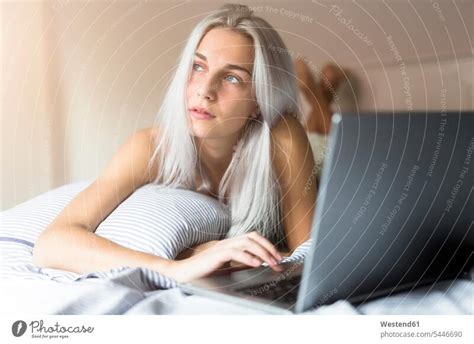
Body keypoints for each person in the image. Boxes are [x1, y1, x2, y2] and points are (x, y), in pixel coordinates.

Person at [32, 4, 317, 283]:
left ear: (259, 99)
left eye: (232, 77)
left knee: (323, 138)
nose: (205, 91)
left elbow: (308, 255)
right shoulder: (150, 148)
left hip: (307, 158)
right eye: (198, 66)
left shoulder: (283, 136)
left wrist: (217, 255)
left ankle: (318, 99)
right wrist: (175, 266)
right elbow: (53, 242)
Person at [293, 57, 348, 181]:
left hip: (322, 172)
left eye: (328, 82)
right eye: (323, 80)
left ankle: (313, 91)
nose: (325, 83)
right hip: (308, 169)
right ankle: (315, 91)